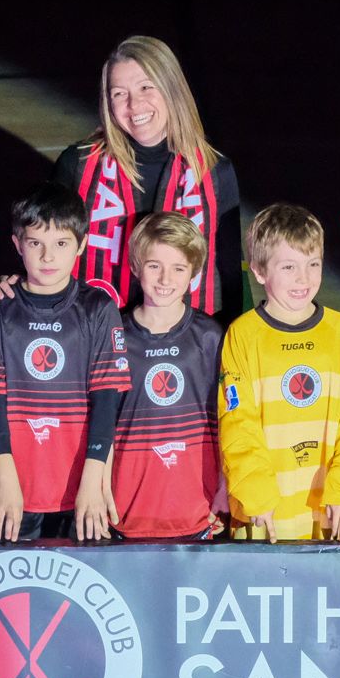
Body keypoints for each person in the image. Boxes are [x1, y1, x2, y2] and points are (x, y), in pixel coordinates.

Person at [0, 183, 131, 543]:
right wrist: (7, 482)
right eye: (35, 243)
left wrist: (92, 479)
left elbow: (107, 400)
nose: (47, 256)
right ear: (17, 244)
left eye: (61, 243)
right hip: (16, 490)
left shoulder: (98, 309)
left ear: (82, 244)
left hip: (81, 489)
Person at [53, 36, 243, 320]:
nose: (134, 104)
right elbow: (45, 250)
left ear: (171, 89)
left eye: (145, 87)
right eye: (119, 93)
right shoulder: (77, 165)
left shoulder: (214, 171)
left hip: (187, 346)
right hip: (97, 340)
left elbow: (230, 277)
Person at [218, 204, 340, 542]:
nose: (304, 278)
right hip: (264, 518)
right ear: (258, 270)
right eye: (289, 267)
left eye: (313, 264)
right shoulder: (242, 335)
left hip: (329, 514)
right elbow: (237, 424)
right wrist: (256, 495)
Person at [106, 212, 226, 539]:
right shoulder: (113, 334)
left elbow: (230, 420)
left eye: (178, 268)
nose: (164, 279)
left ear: (194, 274)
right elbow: (99, 423)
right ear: (135, 265)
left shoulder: (211, 337)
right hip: (125, 514)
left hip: (196, 513)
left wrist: (226, 486)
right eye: (154, 265)